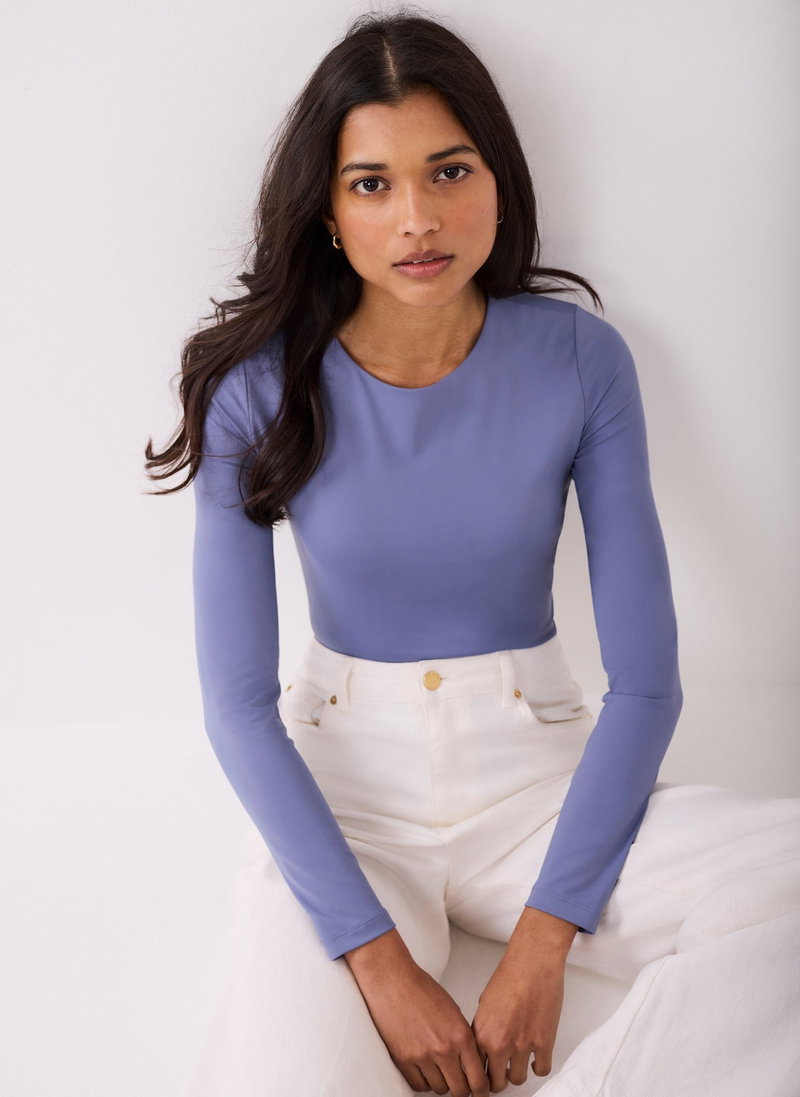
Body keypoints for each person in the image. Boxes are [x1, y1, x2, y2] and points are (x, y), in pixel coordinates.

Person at [144, 11, 800, 1097]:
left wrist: (545, 936)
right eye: (371, 184)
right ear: (327, 212)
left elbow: (646, 683)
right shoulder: (255, 385)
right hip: (345, 796)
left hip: (538, 778)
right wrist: (376, 957)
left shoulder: (579, 359)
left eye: (449, 171)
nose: (418, 218)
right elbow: (237, 706)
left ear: (497, 173)